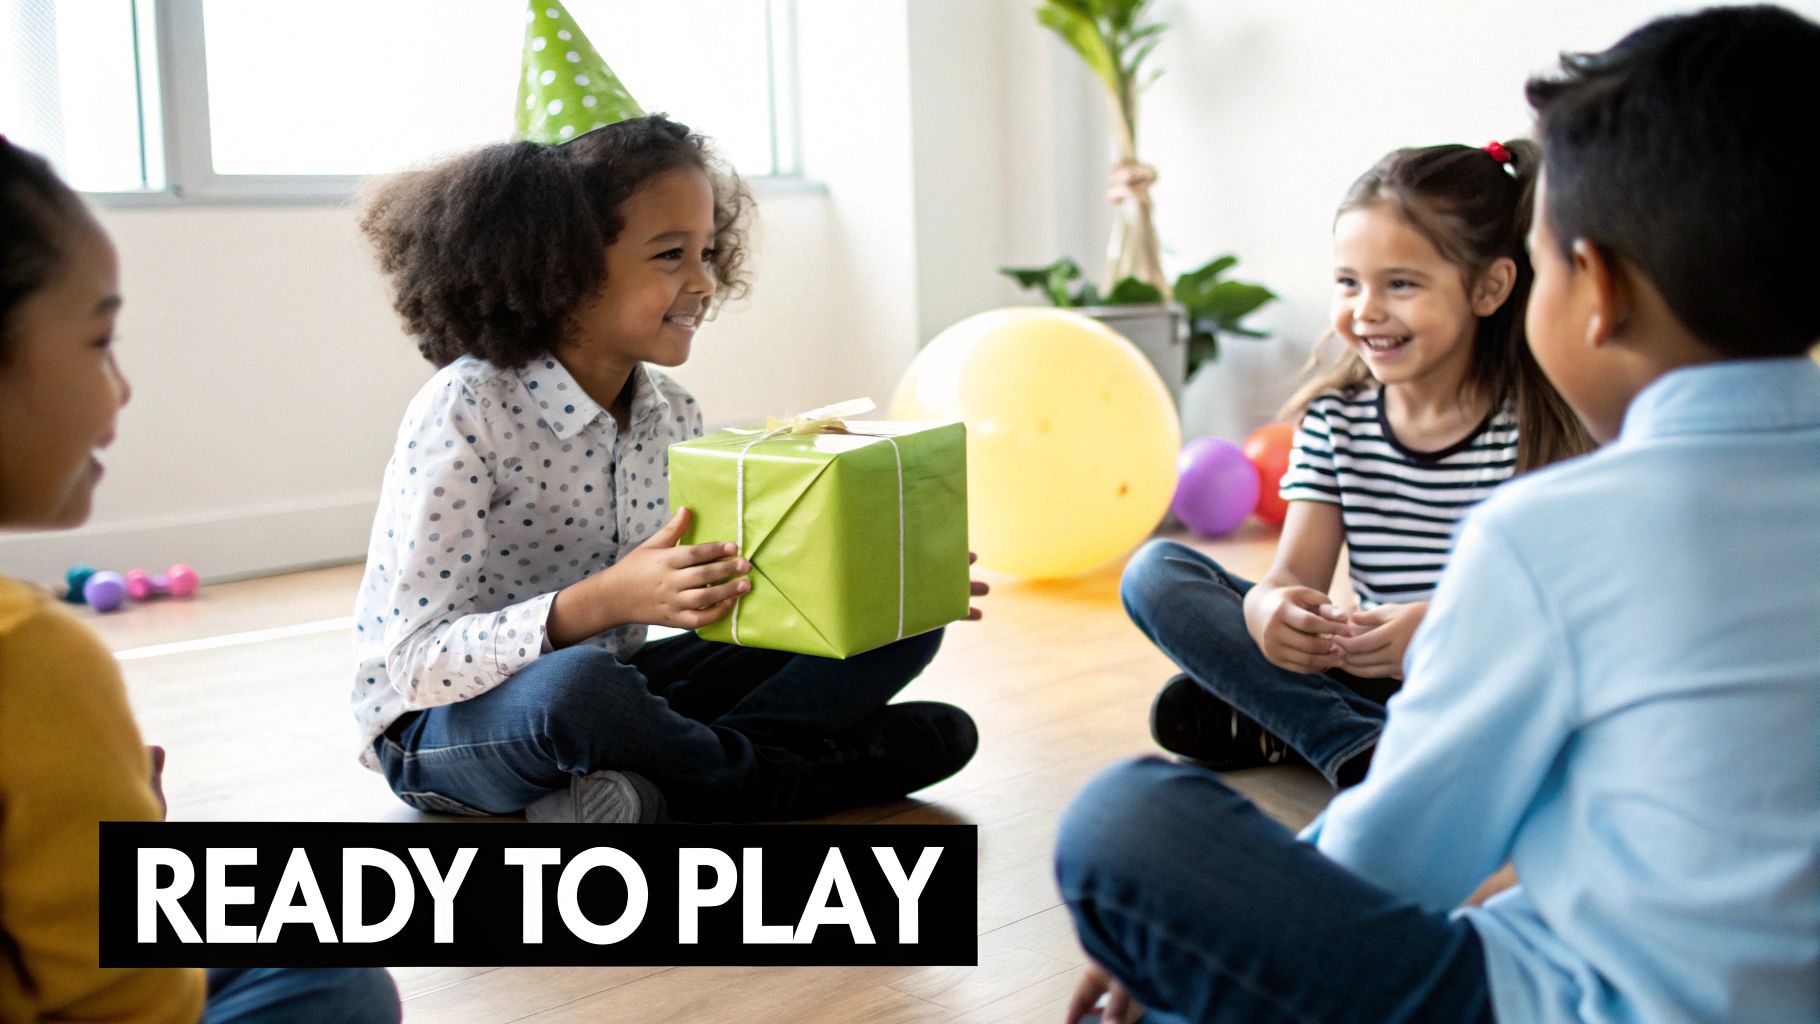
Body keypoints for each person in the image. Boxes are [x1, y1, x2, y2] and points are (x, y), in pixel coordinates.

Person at [1055, 6, 1820, 1021]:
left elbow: (1397, 859)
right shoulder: (1345, 421)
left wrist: (1226, 925)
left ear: (1587, 286)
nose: (1365, 308)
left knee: (1121, 822)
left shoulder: (1554, 524)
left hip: (1574, 995)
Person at [354, 115, 982, 824]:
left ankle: (674, 785)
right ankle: (770, 781)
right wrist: (605, 601)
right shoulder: (464, 410)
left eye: (708, 251)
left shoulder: (672, 412)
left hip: (621, 697)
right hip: (452, 726)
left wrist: (881, 582)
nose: (705, 281)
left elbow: (712, 592)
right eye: (670, 255)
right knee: (580, 686)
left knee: (901, 622)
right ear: (562, 266)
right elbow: (414, 662)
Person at [0, 136, 398, 1022]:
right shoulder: (29, 656)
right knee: (329, 976)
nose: (122, 389)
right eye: (99, 341)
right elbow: (127, 1004)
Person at [1123, 140, 1590, 786]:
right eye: (1349, 283)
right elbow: (1293, 574)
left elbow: (1566, 604)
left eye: (1400, 284)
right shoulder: (1337, 420)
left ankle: (1293, 723)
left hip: (1493, 688)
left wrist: (1439, 627)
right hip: (1377, 686)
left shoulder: (1540, 425)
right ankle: (1359, 749)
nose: (1365, 311)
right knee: (1154, 572)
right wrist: (1272, 614)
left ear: (1489, 287)